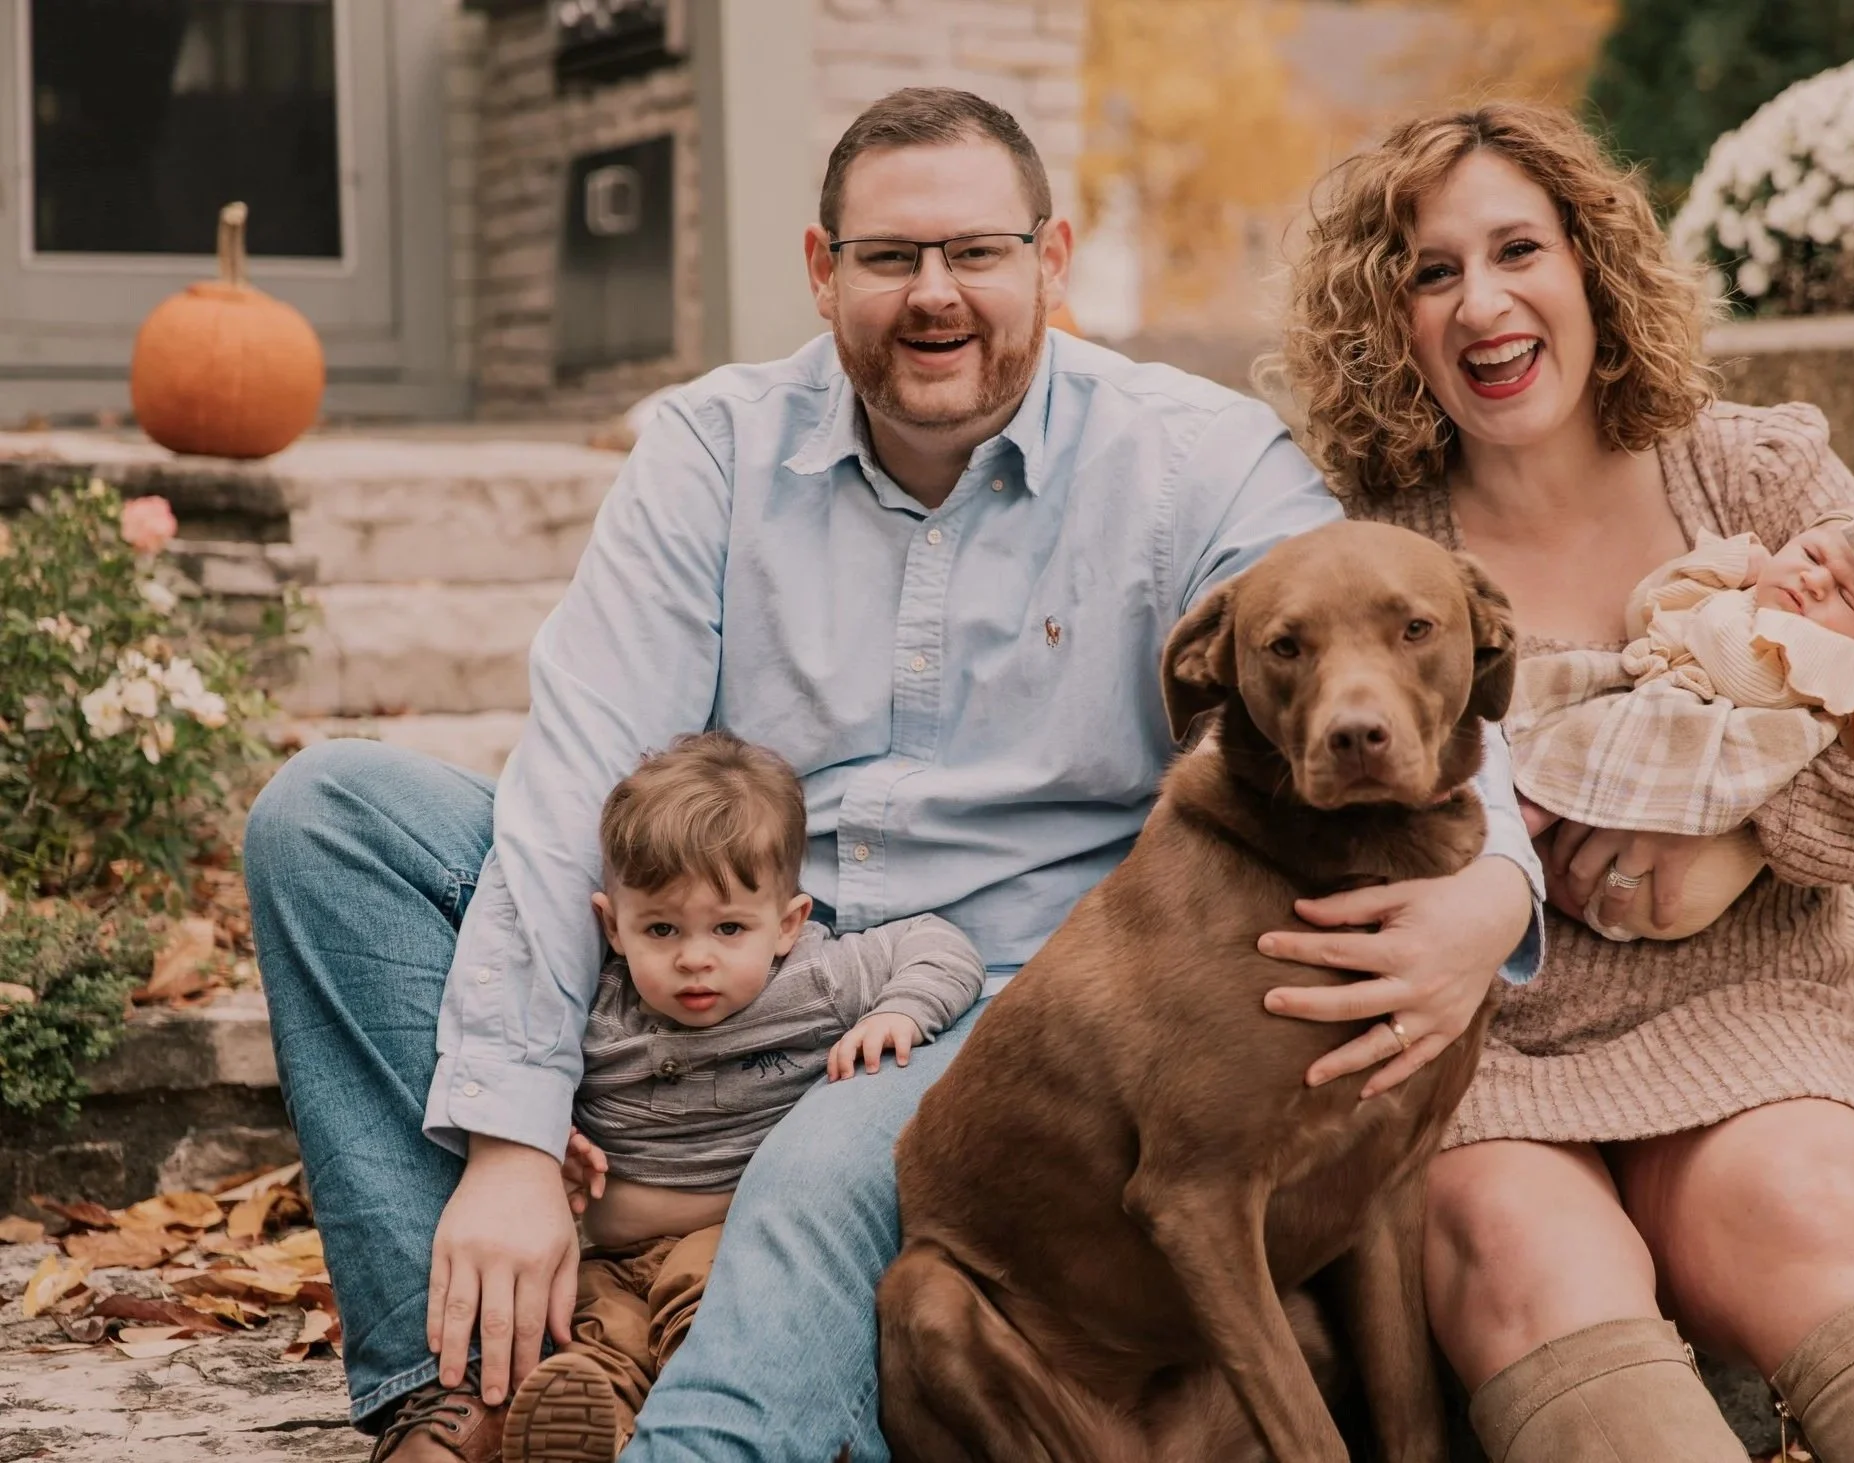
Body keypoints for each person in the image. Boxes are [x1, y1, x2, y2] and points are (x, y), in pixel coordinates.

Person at [244, 87, 1544, 1463]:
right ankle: (461, 1389)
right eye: (889, 258)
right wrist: (509, 1135)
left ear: (1048, 262)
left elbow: (1382, 650)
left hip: (966, 1010)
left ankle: (689, 1419)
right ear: (820, 270)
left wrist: (1498, 887)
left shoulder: (1194, 458)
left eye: (976, 253)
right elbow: (575, 773)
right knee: (326, 816)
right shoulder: (712, 448)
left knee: (817, 1178)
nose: (935, 296)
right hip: (722, 937)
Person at [1280, 102, 1854, 1462]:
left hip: (1753, 1011)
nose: (1482, 302)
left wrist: (1738, 832)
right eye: (1430, 270)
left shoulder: (1751, 470)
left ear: (1588, 265)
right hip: (1486, 1047)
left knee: (1812, 1206)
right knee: (1526, 1256)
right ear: (1385, 321)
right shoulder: (1354, 538)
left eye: (1517, 248)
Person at [498, 730, 984, 1461]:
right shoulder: (599, 1011)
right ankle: (590, 1413)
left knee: (711, 1307)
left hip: (730, 1245)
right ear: (612, 927)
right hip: (617, 1255)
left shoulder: (815, 980)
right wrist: (553, 1134)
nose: (695, 957)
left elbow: (943, 945)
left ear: (787, 924)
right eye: (661, 928)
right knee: (597, 1324)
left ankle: (710, 1397)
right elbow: (543, 1071)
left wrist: (898, 1011)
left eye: (729, 927)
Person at [1507, 497, 1854, 939]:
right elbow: (1649, 606)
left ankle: (1527, 834)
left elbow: (1747, 676)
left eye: (1847, 599)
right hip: (1662, 704)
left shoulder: (1841, 661)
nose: (1815, 581)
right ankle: (1521, 828)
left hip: (1712, 746)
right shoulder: (1744, 590)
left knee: (1599, 749)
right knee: (1559, 718)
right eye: (1812, 554)